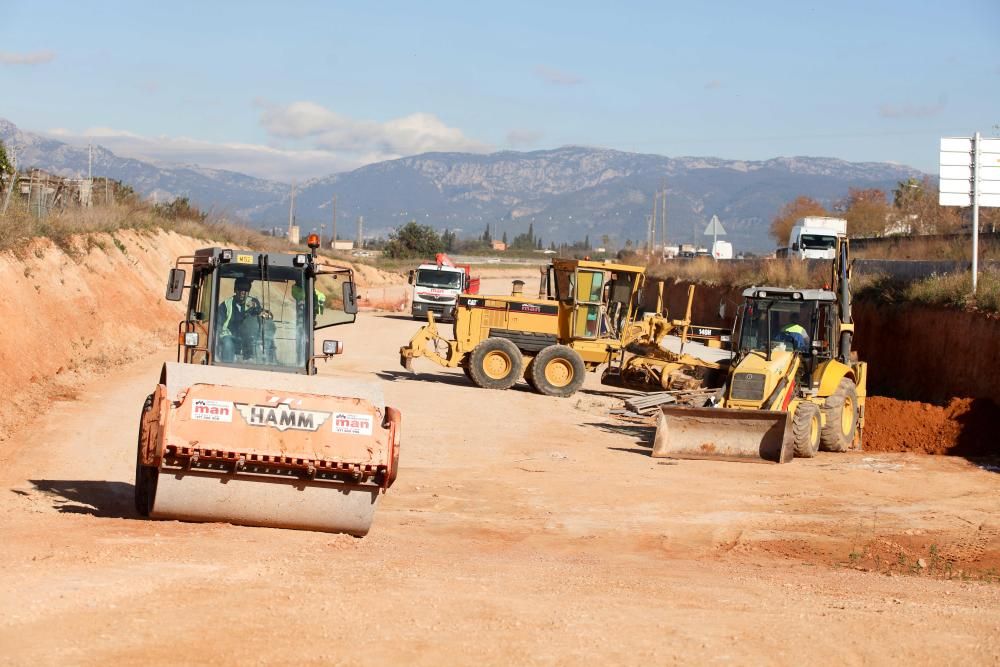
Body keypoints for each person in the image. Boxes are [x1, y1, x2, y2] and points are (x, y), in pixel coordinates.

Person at [217, 277, 266, 362]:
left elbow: (259, 313)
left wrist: (255, 308)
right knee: (227, 344)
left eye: (246, 290)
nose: (242, 292)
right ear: (235, 290)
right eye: (240, 289)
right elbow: (218, 323)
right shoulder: (225, 305)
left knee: (261, 346)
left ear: (248, 292)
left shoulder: (253, 302)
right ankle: (226, 367)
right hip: (231, 336)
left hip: (249, 338)